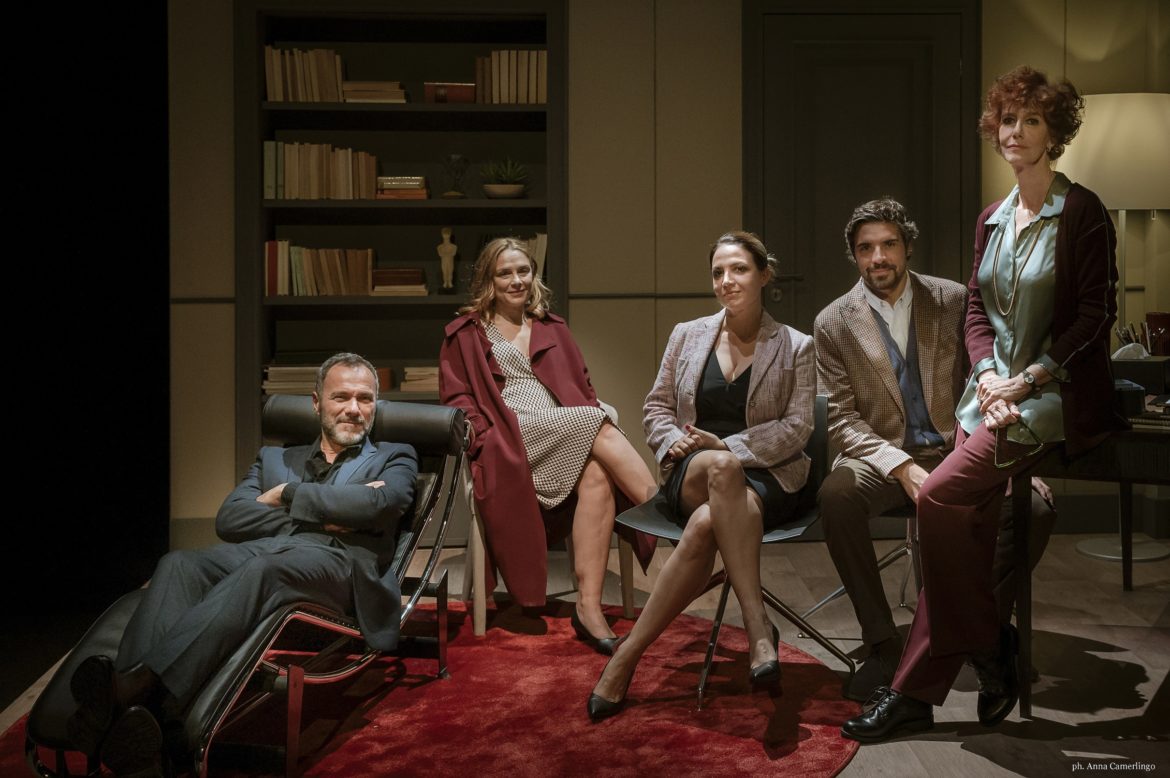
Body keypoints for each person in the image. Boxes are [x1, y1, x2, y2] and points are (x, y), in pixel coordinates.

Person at [842, 65, 1126, 743]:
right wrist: (991, 376)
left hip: (1051, 396)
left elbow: (1096, 315)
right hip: (993, 396)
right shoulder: (992, 219)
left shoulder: (1081, 211)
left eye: (1032, 121)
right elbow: (977, 310)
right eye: (1007, 120)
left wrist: (1027, 380)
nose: (1015, 132)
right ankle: (980, 653)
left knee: (938, 498)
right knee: (961, 525)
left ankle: (949, 669)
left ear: (1055, 134)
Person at [64, 353, 419, 777]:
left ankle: (129, 694)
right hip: (272, 551)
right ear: (316, 403)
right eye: (341, 397)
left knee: (266, 569)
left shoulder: (396, 455)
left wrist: (287, 495)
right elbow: (231, 519)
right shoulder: (275, 459)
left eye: (365, 398)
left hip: (341, 566)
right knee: (179, 563)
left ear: (376, 405)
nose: (354, 409)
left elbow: (381, 503)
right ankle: (143, 716)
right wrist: (333, 510)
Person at [815, 197, 1056, 702]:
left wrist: (1010, 461)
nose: (878, 257)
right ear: (854, 255)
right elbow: (841, 420)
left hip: (957, 449)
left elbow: (984, 380)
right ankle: (883, 643)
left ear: (907, 246)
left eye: (888, 244)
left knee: (1033, 506)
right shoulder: (833, 322)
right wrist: (901, 467)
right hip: (881, 458)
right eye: (865, 248)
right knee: (836, 496)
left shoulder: (952, 300)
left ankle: (981, 629)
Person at [587, 230, 815, 722]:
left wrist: (728, 446)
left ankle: (626, 657)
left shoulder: (796, 346)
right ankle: (757, 626)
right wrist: (674, 441)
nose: (726, 280)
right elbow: (656, 408)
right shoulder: (687, 334)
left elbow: (798, 427)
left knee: (709, 520)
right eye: (718, 272)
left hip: (768, 478)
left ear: (764, 275)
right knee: (720, 470)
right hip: (692, 470)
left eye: (739, 269)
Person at [438, 237, 658, 655]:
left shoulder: (551, 327)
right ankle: (668, 517)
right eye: (505, 273)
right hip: (508, 435)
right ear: (489, 280)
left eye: (523, 271)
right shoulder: (465, 334)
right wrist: (485, 436)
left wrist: (584, 408)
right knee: (598, 420)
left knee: (598, 471)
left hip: (561, 433)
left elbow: (583, 385)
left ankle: (588, 608)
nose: (516, 280)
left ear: (533, 275)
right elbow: (457, 402)